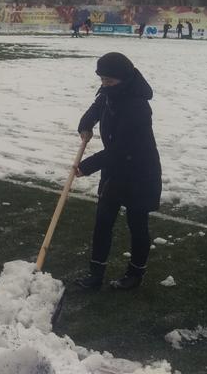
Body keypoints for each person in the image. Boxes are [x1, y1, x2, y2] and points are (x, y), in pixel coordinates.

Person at [73, 52, 162, 291]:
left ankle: (135, 274)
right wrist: (85, 125)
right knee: (103, 221)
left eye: (109, 80)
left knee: (137, 223)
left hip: (140, 171)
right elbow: (95, 108)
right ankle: (95, 274)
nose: (104, 84)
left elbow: (122, 148)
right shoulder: (110, 93)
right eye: (102, 79)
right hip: (115, 169)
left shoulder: (138, 106)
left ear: (123, 79)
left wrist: (87, 166)